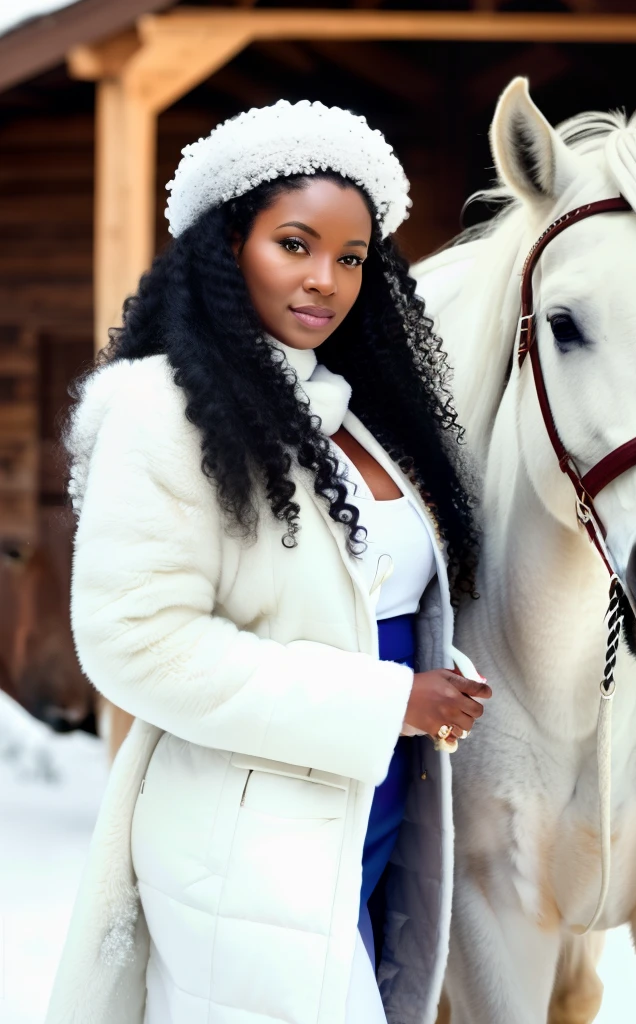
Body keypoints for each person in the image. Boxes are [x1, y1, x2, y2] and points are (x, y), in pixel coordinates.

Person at [44, 99, 491, 1024]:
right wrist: (388, 700)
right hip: (244, 840)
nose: (325, 279)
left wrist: (439, 680)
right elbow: (139, 644)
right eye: (295, 243)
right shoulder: (163, 413)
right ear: (227, 245)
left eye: (351, 257)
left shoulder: (357, 416)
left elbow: (369, 600)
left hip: (378, 814)